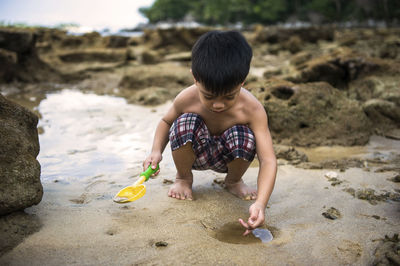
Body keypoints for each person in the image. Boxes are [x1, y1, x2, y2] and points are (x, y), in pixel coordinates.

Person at [143, 30, 277, 235]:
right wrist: (155, 151)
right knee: (185, 122)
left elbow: (268, 160)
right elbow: (165, 121)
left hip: (229, 158)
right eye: (209, 96)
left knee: (244, 135)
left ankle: (233, 181)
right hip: (194, 154)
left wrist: (261, 203)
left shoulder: (252, 109)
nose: (218, 104)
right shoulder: (187, 98)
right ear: (195, 79)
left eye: (229, 97)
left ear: (242, 81)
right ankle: (183, 179)